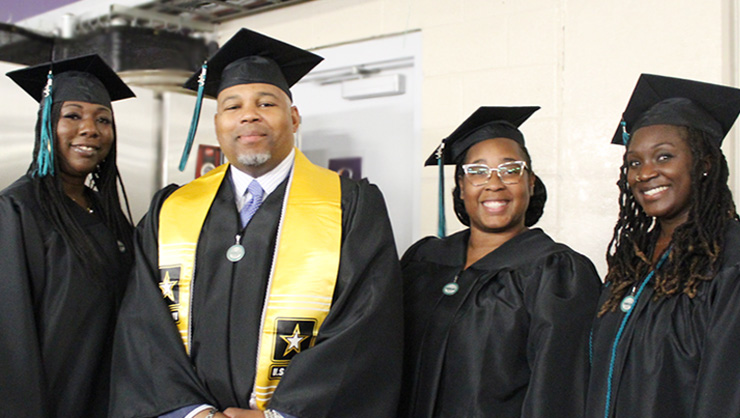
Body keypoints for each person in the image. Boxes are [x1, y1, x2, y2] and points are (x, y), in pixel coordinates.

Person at [109, 28, 403, 418]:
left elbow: (365, 325)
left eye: (266, 103)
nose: (249, 114)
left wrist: (279, 415)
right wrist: (192, 412)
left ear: (294, 118)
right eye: (232, 106)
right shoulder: (172, 209)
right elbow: (144, 323)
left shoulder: (350, 205)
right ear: (217, 124)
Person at [399, 106, 602, 418]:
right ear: (461, 187)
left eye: (510, 170)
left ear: (531, 183)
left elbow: (557, 395)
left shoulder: (557, 273)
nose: (494, 183)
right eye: (477, 172)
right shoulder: (423, 260)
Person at [585, 74, 740, 418]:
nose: (644, 173)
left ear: (704, 164)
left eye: (664, 156)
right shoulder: (632, 261)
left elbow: (726, 394)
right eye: (634, 163)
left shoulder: (728, 261)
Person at [0, 54, 136, 417]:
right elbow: (11, 340)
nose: (90, 129)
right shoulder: (16, 211)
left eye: (103, 120)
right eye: (72, 115)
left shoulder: (107, 213)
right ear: (46, 125)